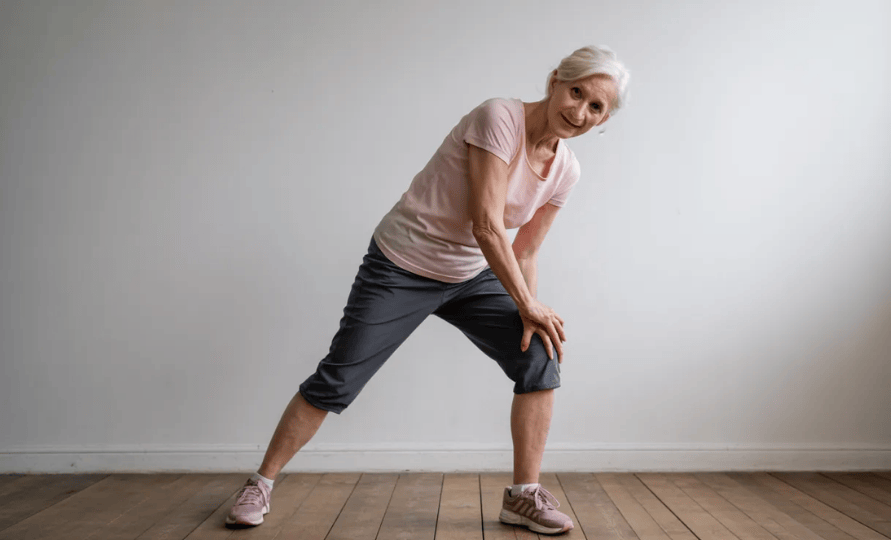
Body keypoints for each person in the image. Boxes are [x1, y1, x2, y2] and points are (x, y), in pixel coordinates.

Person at [226, 45, 629, 535]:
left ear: (604, 119)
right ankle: (260, 482)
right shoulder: (498, 116)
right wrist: (525, 301)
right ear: (554, 81)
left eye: (596, 108)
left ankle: (523, 496)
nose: (579, 111)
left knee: (539, 355)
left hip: (475, 276)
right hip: (403, 264)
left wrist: (529, 312)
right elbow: (485, 222)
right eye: (577, 92)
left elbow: (525, 252)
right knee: (338, 379)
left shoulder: (566, 170)